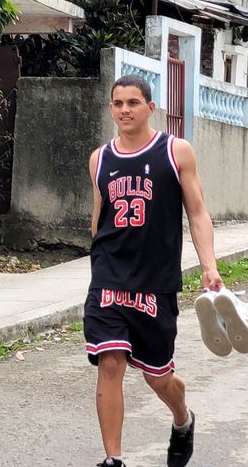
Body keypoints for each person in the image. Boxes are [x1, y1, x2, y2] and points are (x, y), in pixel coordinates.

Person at [84, 75, 224, 467]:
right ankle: (113, 459)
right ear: (110, 109)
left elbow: (197, 213)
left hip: (155, 283)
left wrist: (209, 266)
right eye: (117, 103)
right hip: (109, 279)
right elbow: (99, 217)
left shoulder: (175, 151)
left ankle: (182, 418)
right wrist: (99, 259)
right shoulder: (99, 159)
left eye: (132, 102)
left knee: (158, 377)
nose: (124, 110)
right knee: (110, 361)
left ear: (151, 107)